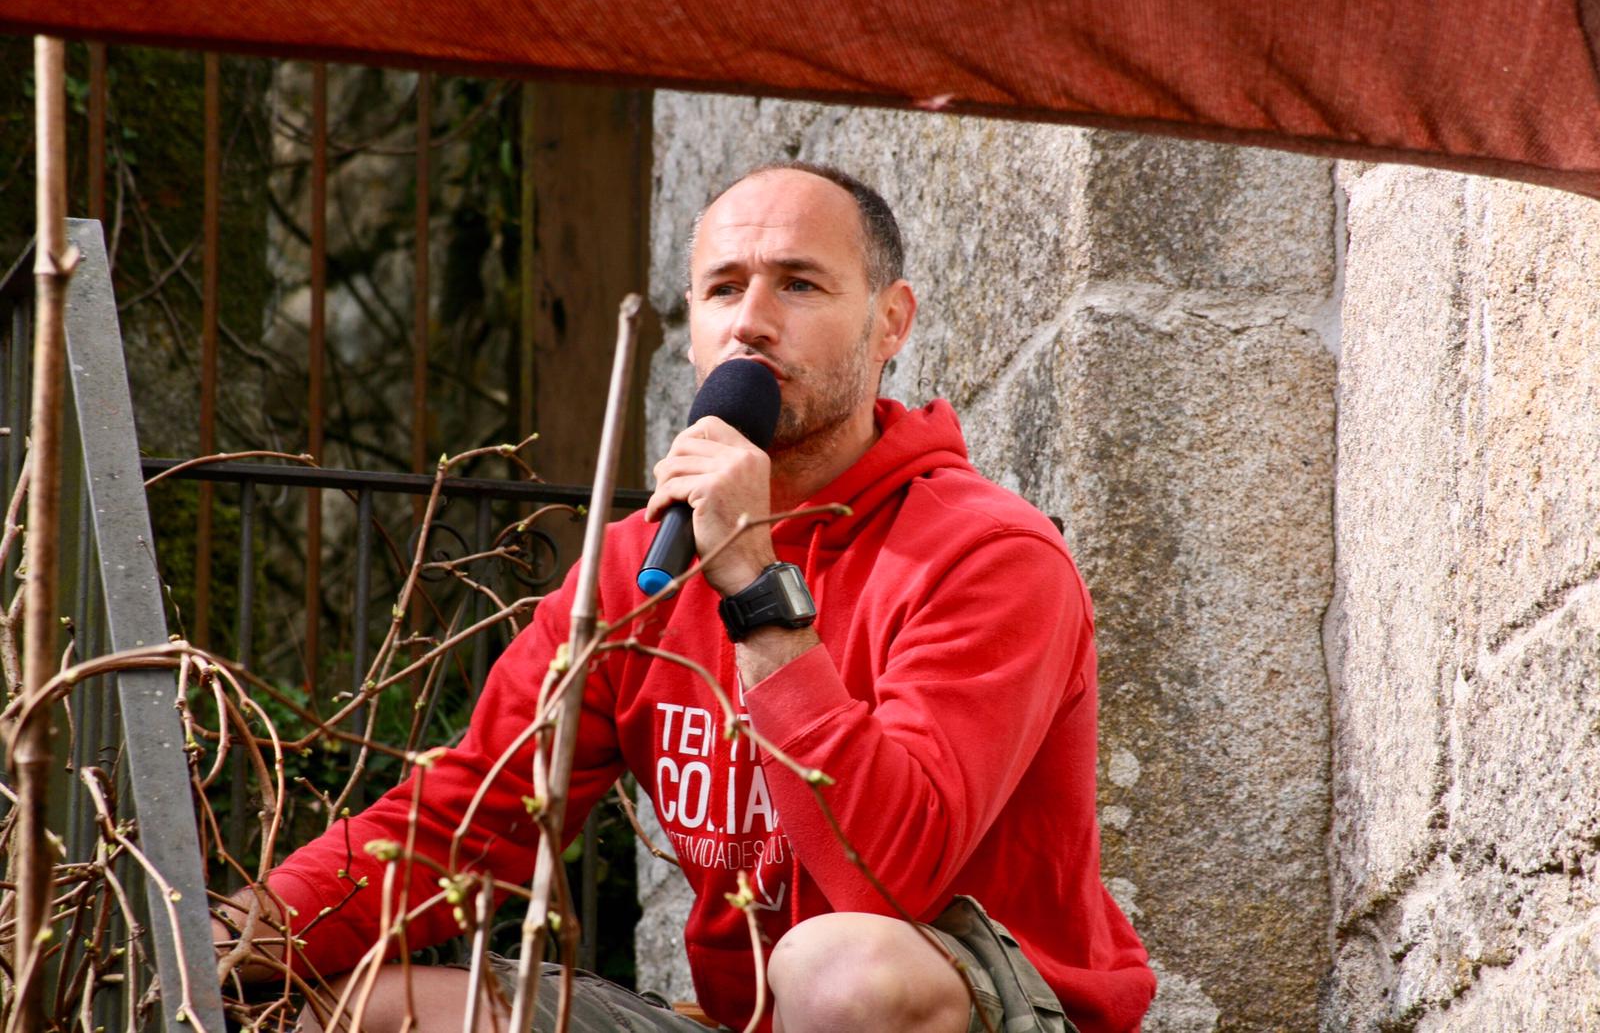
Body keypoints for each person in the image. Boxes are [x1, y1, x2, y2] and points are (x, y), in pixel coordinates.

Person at [213, 163, 1156, 1032]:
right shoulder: (637, 568)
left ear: (891, 320)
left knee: (839, 970)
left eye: (798, 282)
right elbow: (470, 814)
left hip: (965, 999)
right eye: (721, 289)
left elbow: (889, 875)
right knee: (360, 1011)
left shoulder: (988, 555)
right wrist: (239, 934)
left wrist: (753, 580)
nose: (750, 320)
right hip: (738, 1020)